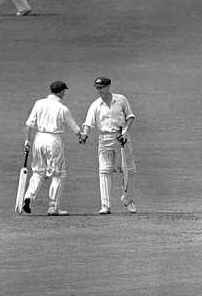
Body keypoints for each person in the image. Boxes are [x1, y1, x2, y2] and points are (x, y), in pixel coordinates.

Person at [18, 81, 82, 216]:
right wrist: (81, 136)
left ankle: (28, 197)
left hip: (39, 138)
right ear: (61, 92)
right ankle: (53, 207)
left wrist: (27, 141)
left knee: (37, 172)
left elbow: (29, 124)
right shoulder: (62, 108)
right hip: (54, 140)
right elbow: (74, 128)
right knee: (58, 174)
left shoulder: (39, 103)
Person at [78, 77, 138, 214]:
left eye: (101, 88)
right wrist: (85, 135)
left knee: (128, 169)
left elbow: (130, 117)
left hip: (121, 136)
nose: (99, 91)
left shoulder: (121, 99)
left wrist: (125, 132)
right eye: (97, 88)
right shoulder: (95, 105)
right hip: (105, 138)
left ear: (108, 86)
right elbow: (88, 123)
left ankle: (128, 200)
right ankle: (105, 205)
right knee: (104, 170)